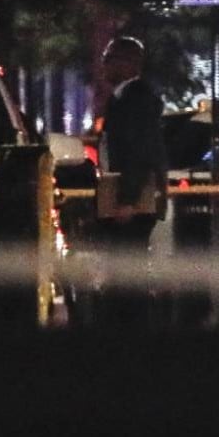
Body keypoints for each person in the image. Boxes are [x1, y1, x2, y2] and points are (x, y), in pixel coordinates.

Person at [89, 35, 166, 326]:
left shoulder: (135, 99)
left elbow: (138, 151)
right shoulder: (125, 97)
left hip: (131, 201)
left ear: (128, 63)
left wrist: (128, 201)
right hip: (126, 196)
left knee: (127, 273)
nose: (104, 65)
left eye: (109, 59)